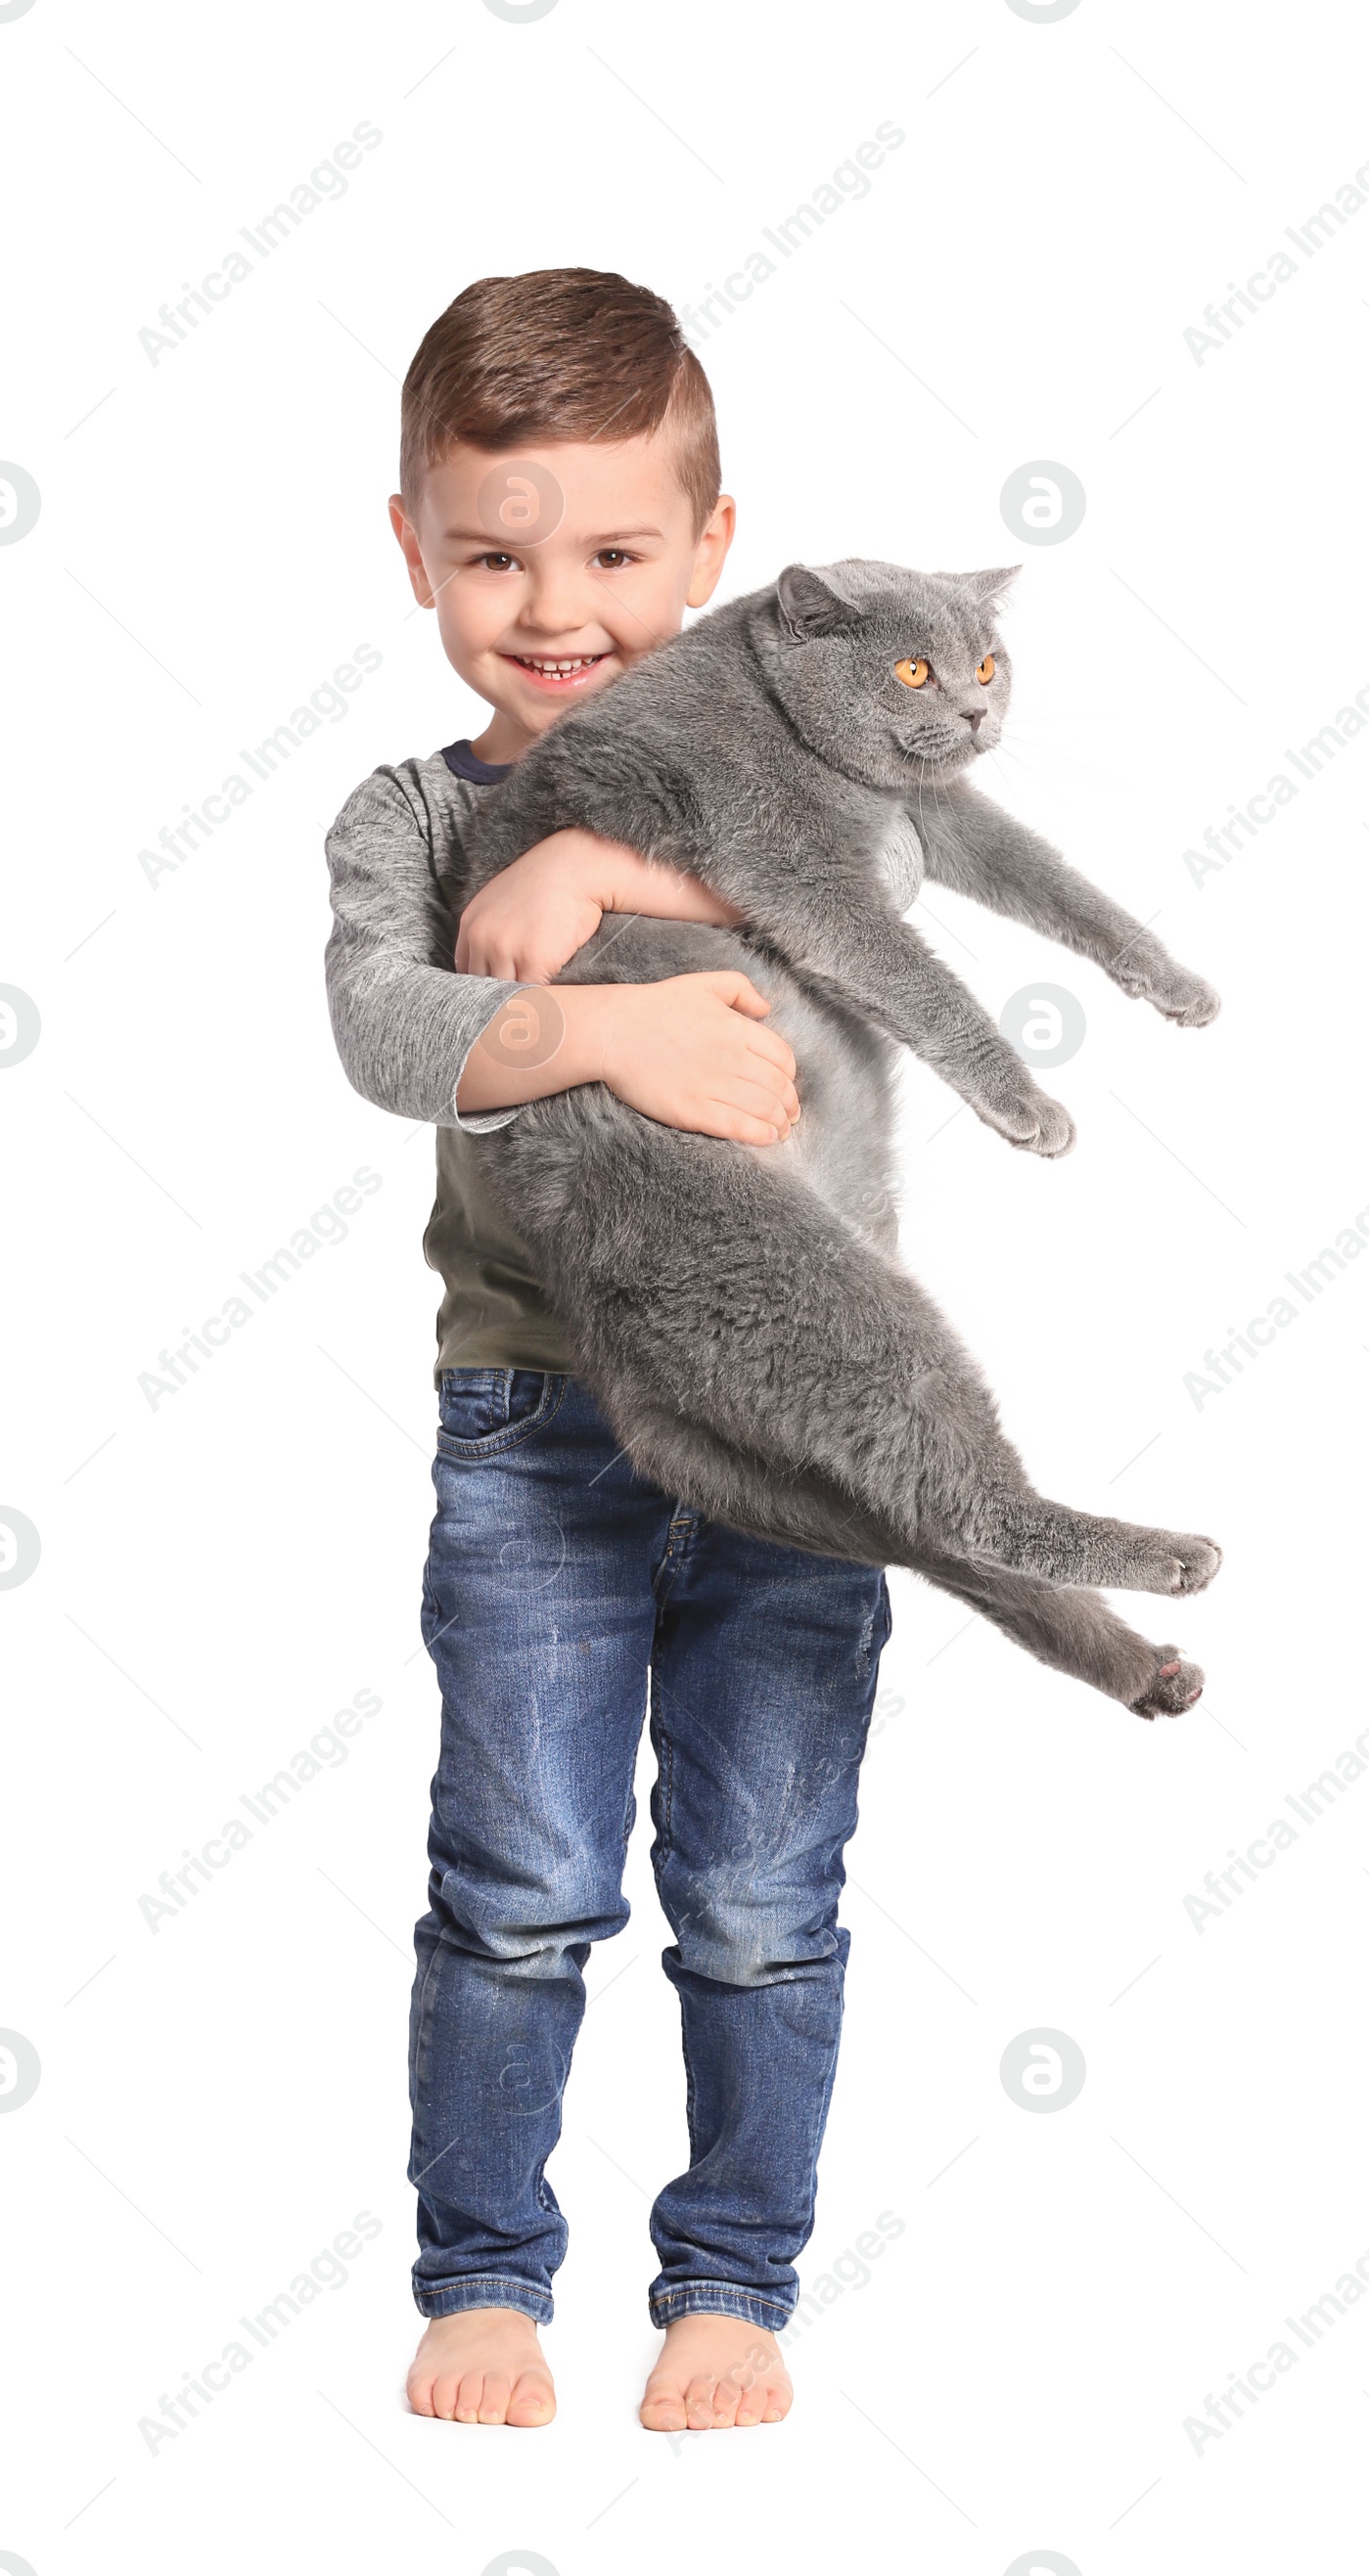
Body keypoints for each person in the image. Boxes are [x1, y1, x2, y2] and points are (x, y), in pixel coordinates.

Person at [324, 269, 893, 2433]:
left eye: (614, 556)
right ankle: (481, 2275)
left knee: (755, 1891)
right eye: (491, 554)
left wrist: (594, 851)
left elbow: (871, 878)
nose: (552, 607)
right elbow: (394, 1029)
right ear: (412, 550)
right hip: (536, 1433)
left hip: (785, 1433)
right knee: (522, 1880)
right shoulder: (397, 814)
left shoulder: (798, 769)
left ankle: (730, 2287)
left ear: (713, 546)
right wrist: (603, 1020)